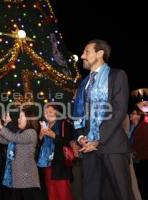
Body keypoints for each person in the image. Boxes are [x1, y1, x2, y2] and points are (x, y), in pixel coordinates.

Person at [73, 39, 135, 200]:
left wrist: (98, 139)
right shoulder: (83, 83)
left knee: (122, 194)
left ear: (100, 53)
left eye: (86, 52)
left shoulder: (117, 75)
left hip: (112, 145)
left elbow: (119, 110)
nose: (82, 56)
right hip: (88, 148)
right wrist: (81, 137)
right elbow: (79, 113)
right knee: (91, 194)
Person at [0, 107, 42, 200]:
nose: (18, 119)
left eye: (21, 117)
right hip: (17, 177)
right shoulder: (20, 132)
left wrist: (1, 126)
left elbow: (14, 138)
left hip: (28, 178)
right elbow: (5, 141)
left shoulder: (31, 132)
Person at [37, 105, 73, 200]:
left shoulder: (63, 124)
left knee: (63, 193)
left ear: (57, 113)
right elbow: (39, 145)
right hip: (47, 164)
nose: (47, 114)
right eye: (46, 112)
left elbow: (68, 142)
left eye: (50, 112)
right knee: (51, 192)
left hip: (60, 165)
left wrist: (53, 135)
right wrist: (40, 136)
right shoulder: (44, 125)